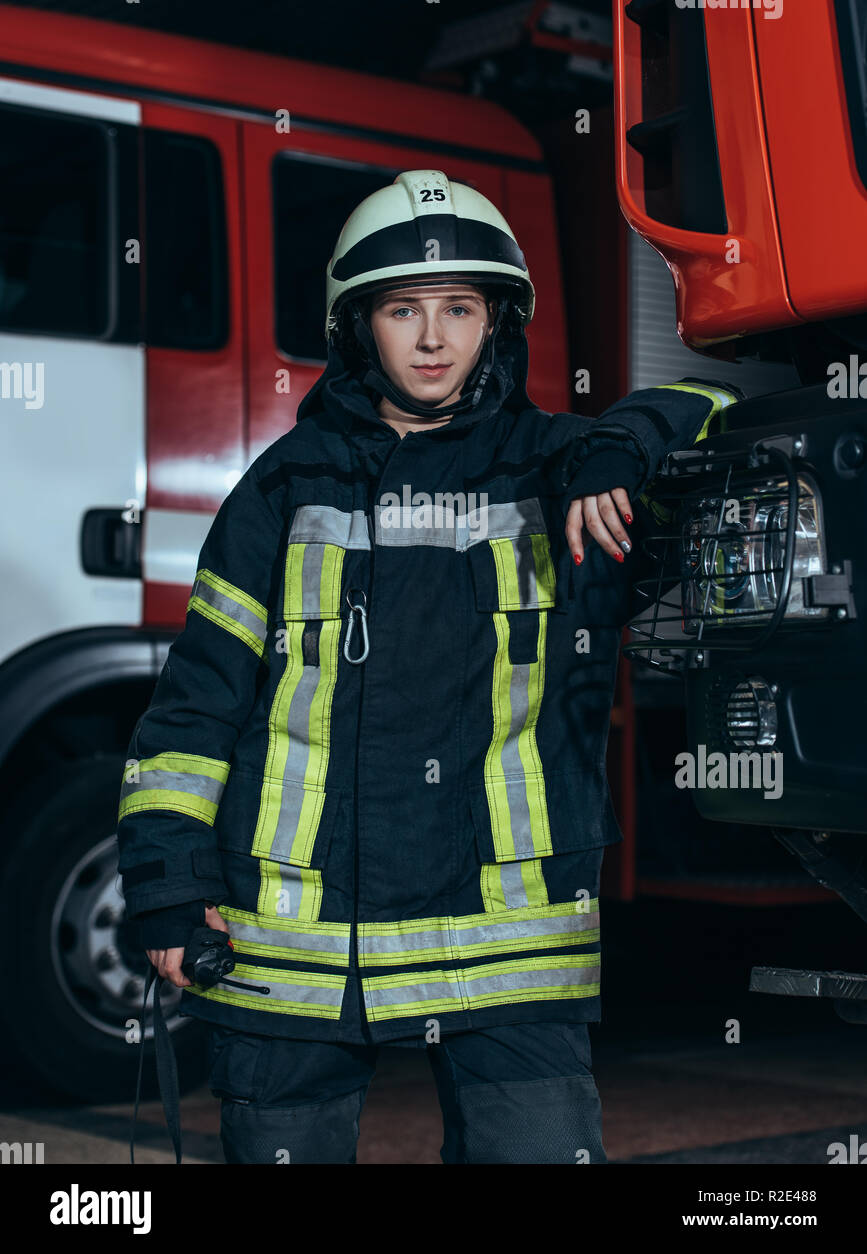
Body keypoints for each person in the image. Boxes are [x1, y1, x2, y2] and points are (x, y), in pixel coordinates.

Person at [118, 169, 738, 1164]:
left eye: (460, 307)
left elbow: (721, 402)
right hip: (293, 945)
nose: (435, 338)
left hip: (508, 951)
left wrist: (624, 444)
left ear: (497, 320)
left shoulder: (561, 467)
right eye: (405, 309)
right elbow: (193, 709)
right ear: (360, 325)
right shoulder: (284, 487)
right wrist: (162, 886)